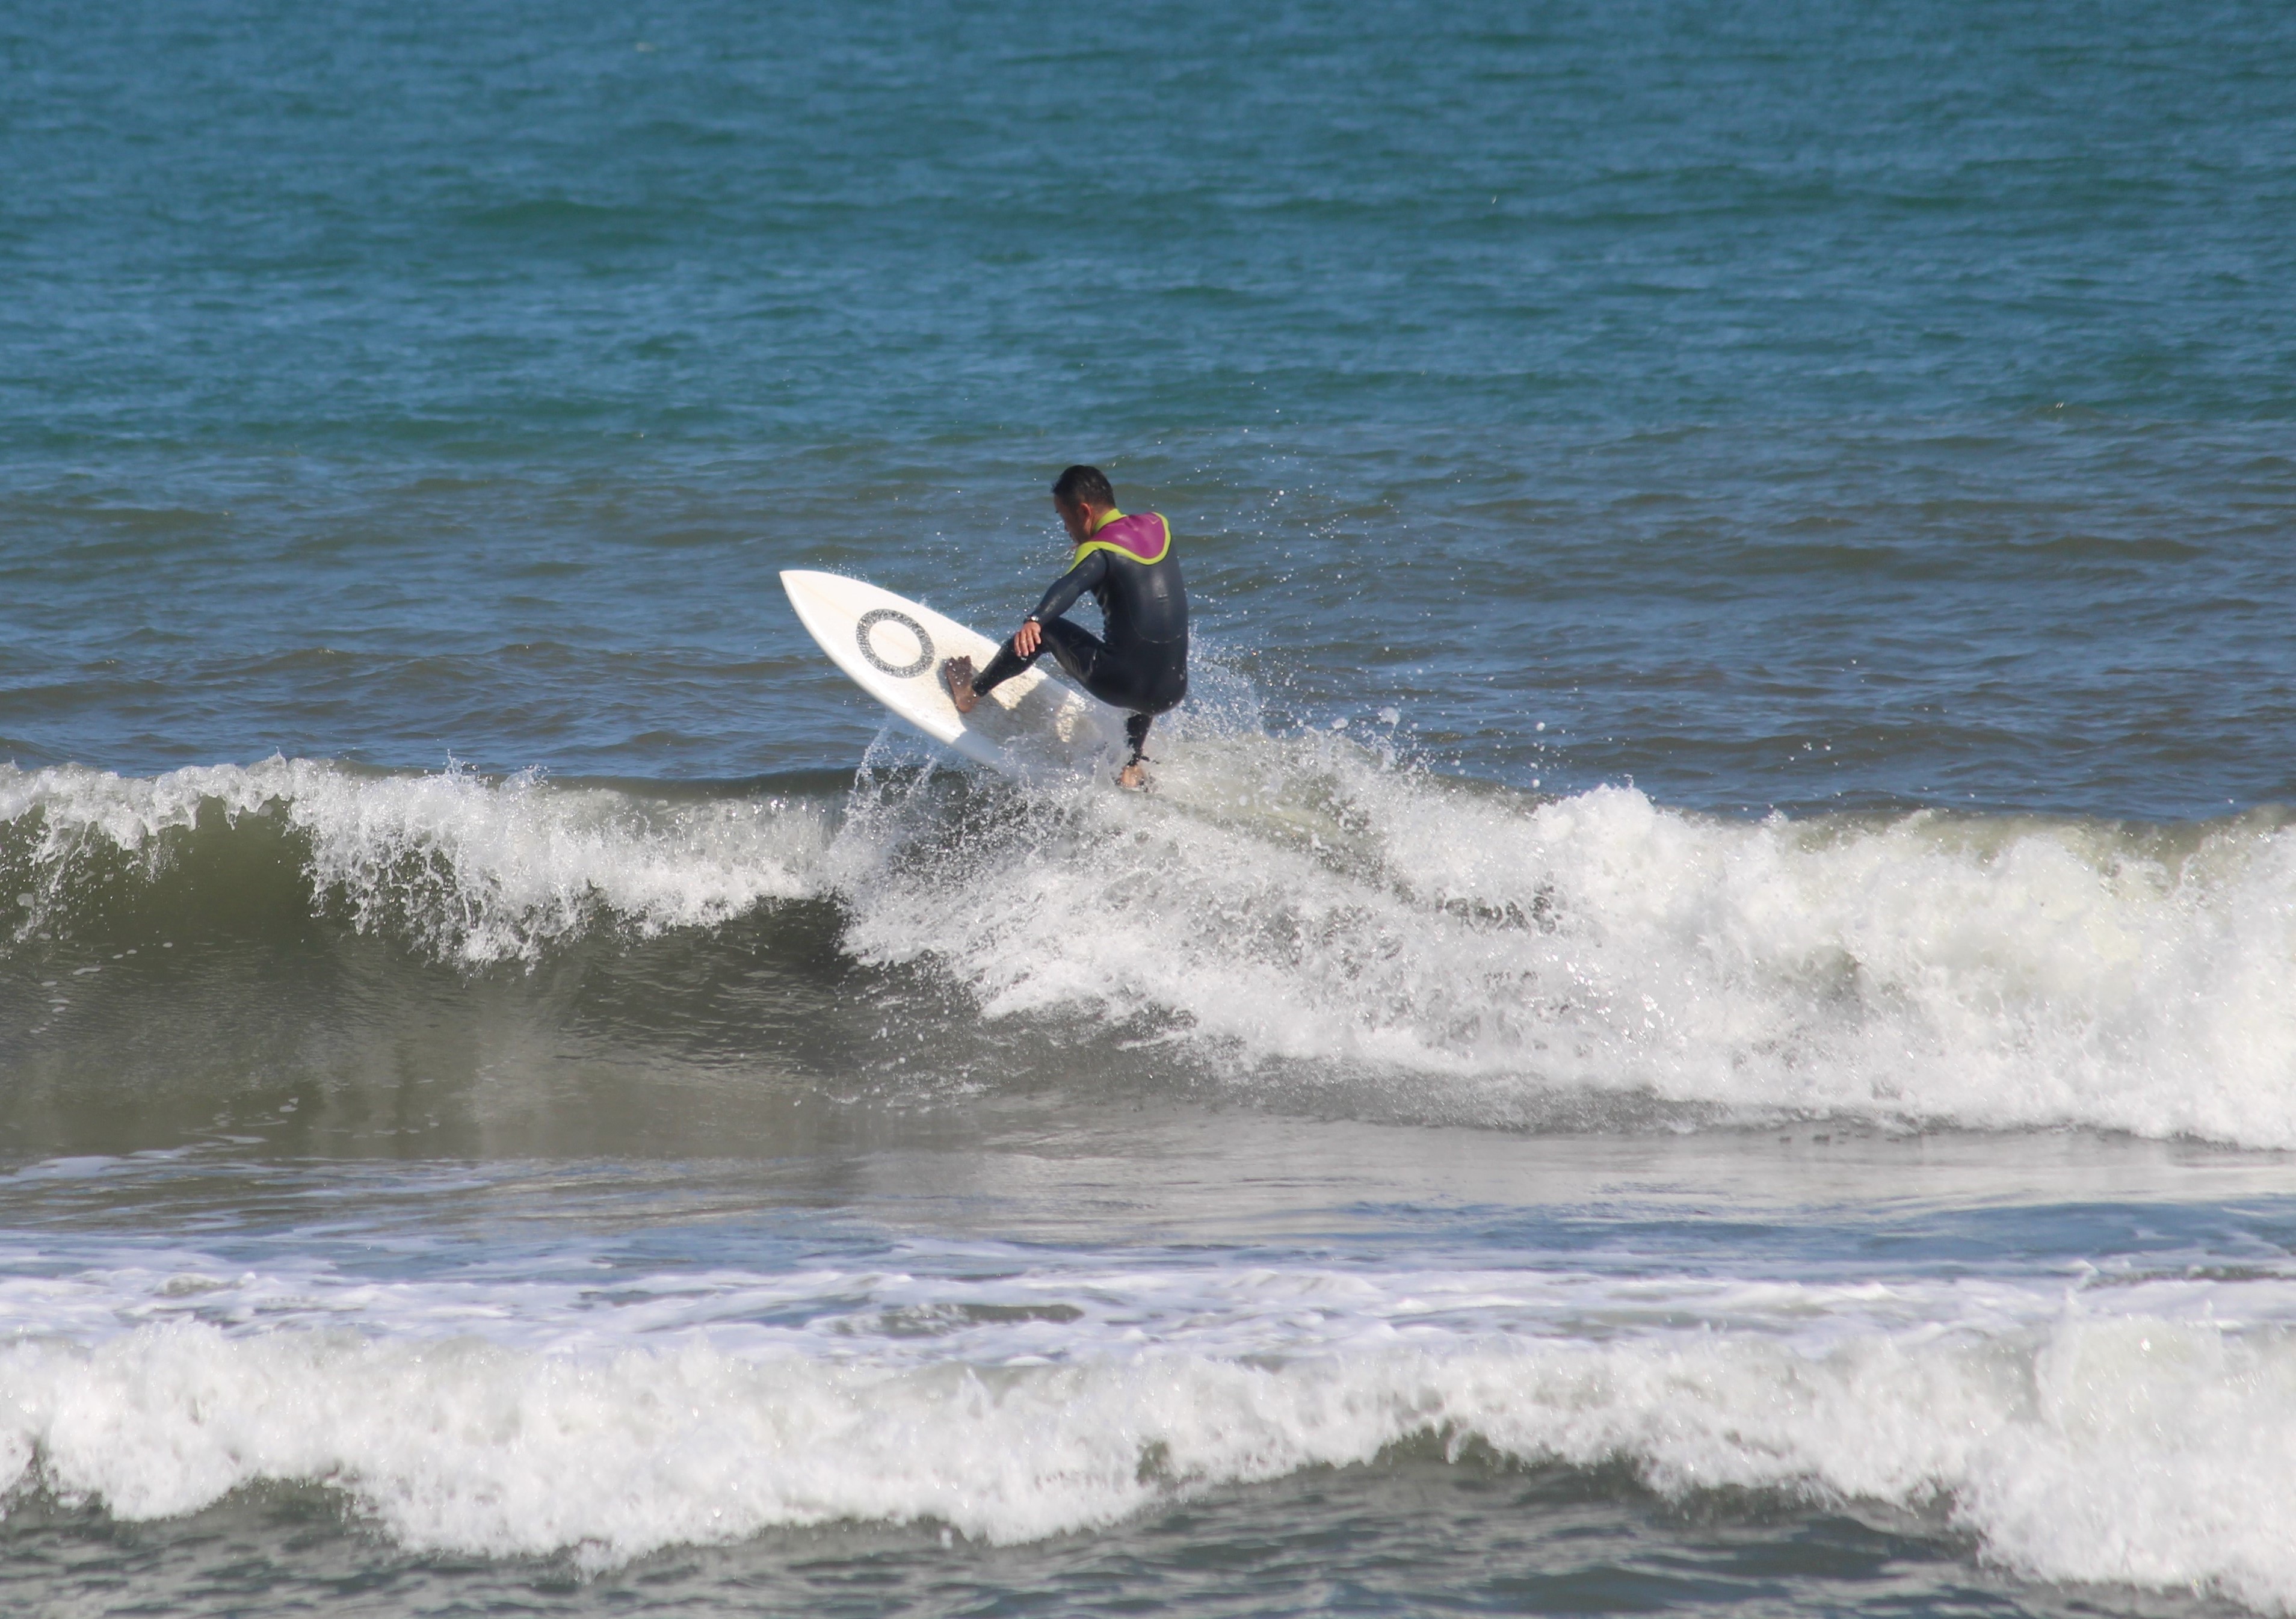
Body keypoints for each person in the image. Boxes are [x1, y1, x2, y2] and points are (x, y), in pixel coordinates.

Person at [945, 465, 1187, 789]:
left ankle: (970, 693)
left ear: (1084, 511)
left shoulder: (1097, 551)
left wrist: (1036, 620)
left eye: (1065, 518)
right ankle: (1130, 767)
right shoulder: (1160, 525)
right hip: (1173, 688)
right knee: (1146, 653)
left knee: (1047, 632)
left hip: (1122, 684)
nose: (1066, 529)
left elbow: (1069, 586)